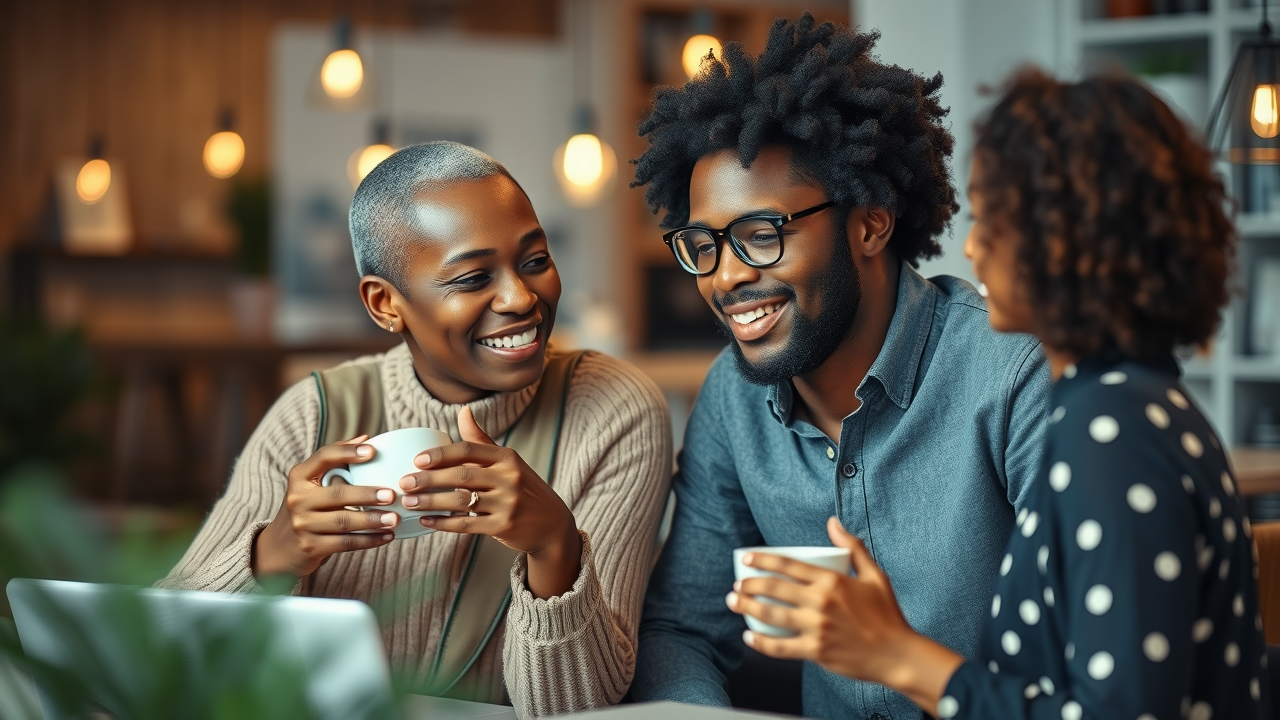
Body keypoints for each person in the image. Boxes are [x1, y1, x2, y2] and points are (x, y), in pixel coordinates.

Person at [726, 69, 1272, 720]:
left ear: (1070, 239)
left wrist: (894, 653)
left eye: (992, 220)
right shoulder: (1133, 402)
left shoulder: (1112, 431)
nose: (975, 247)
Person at [629, 14, 1051, 719]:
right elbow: (682, 631)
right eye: (704, 245)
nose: (725, 277)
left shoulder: (1010, 376)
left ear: (870, 223)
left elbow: (1083, 669)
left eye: (761, 236)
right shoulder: (735, 400)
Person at [159, 142, 673, 718]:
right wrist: (275, 553)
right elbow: (158, 651)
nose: (521, 298)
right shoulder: (315, 415)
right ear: (385, 304)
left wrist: (553, 545)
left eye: (534, 260)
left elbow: (580, 706)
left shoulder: (613, 410)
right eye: (474, 277)